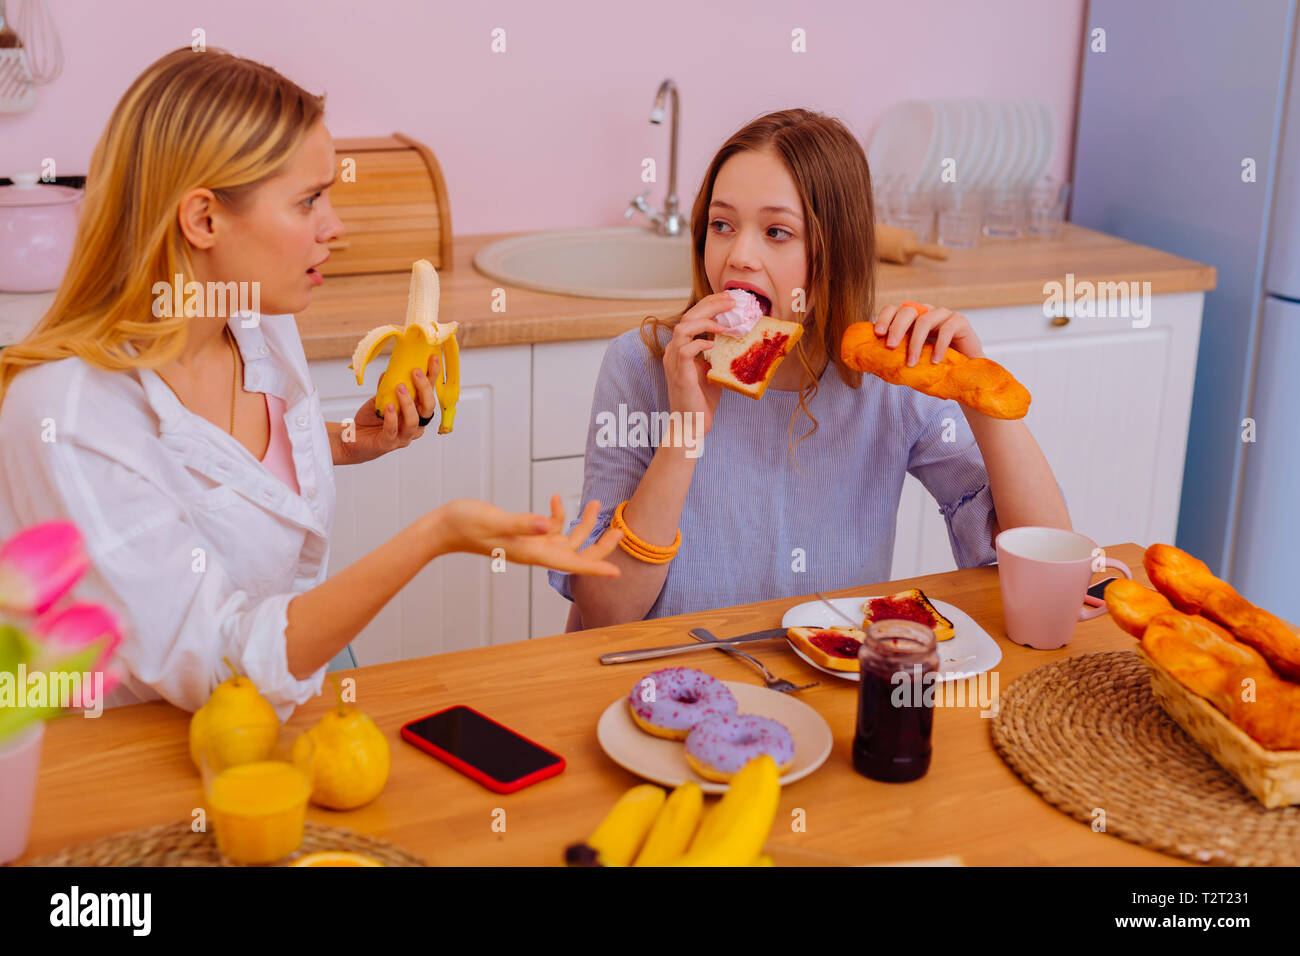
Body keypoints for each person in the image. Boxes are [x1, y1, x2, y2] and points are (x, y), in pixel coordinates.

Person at [0, 48, 620, 717]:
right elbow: (219, 666)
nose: (336, 228)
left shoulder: (254, 319)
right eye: (309, 201)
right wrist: (438, 535)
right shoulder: (69, 415)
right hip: (134, 764)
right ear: (204, 219)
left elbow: (230, 468)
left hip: (286, 704)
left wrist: (352, 439)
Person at [550, 109, 1069, 629]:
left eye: (777, 231)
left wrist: (977, 389)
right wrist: (685, 434)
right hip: (664, 686)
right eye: (722, 224)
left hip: (823, 686)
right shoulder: (642, 364)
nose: (739, 256)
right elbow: (603, 612)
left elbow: (1050, 576)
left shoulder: (890, 377)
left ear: (837, 252)